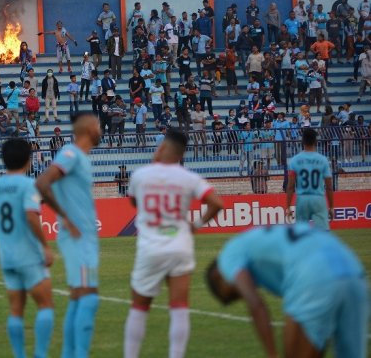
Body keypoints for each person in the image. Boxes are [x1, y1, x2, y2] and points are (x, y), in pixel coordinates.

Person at [124, 129, 223, 358]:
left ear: (161, 148)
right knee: (179, 307)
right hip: (179, 244)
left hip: (150, 246)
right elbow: (217, 203)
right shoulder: (189, 177)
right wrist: (196, 224)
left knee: (139, 307)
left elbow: (133, 201)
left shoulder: (141, 175)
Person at [206, 223, 368, 358]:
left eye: (234, 294)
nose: (239, 295)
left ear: (217, 275)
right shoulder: (252, 240)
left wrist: (272, 354)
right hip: (354, 271)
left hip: (313, 274)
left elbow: (256, 304)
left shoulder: (228, 255)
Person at [36, 115, 102, 358]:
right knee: (88, 298)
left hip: (84, 238)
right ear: (88, 129)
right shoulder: (71, 154)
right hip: (78, 238)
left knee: (78, 297)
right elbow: (43, 182)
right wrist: (65, 216)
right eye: (98, 125)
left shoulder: (81, 157)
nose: (100, 129)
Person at [0, 138, 54, 358]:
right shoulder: (28, 185)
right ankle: (40, 355)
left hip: (8, 256)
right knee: (45, 305)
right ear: (28, 159)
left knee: (16, 309)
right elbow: (31, 216)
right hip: (28, 254)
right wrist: (45, 246)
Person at [286, 128, 334, 230]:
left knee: (301, 234)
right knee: (322, 233)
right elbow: (329, 186)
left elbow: (290, 187)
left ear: (302, 141)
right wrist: (331, 207)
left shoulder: (295, 160)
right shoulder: (323, 160)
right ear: (315, 141)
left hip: (302, 199)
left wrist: (288, 207)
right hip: (318, 198)